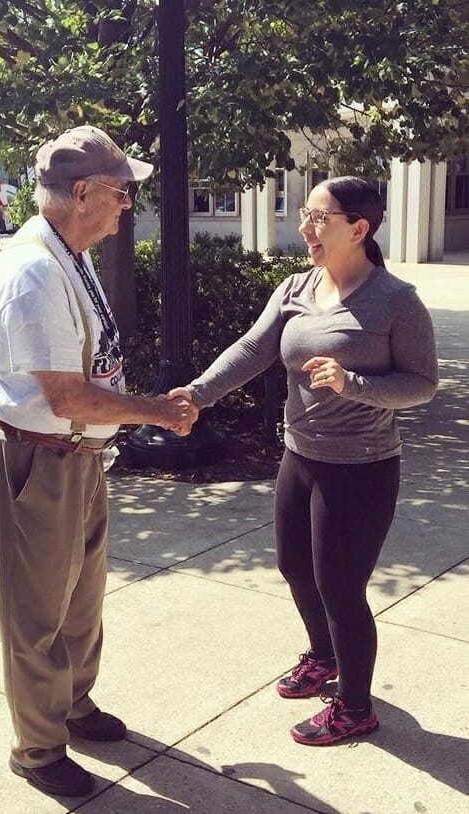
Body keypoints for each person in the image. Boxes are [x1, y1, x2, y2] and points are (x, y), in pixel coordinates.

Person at [169, 176, 438, 746]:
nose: (304, 227)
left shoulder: (396, 302)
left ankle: (356, 707)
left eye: (317, 217)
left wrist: (355, 383)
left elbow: (421, 384)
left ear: (358, 228)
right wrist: (195, 394)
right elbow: (251, 350)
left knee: (341, 587)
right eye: (303, 214)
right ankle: (323, 657)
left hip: (362, 468)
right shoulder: (296, 287)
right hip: (301, 456)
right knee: (296, 569)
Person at [0, 125, 195, 798]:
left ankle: (72, 704)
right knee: (36, 612)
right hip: (36, 460)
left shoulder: (70, 252)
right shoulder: (37, 269)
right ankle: (38, 750)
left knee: (81, 599)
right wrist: (158, 411)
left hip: (75, 455)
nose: (127, 205)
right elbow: (66, 394)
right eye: (121, 191)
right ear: (81, 192)